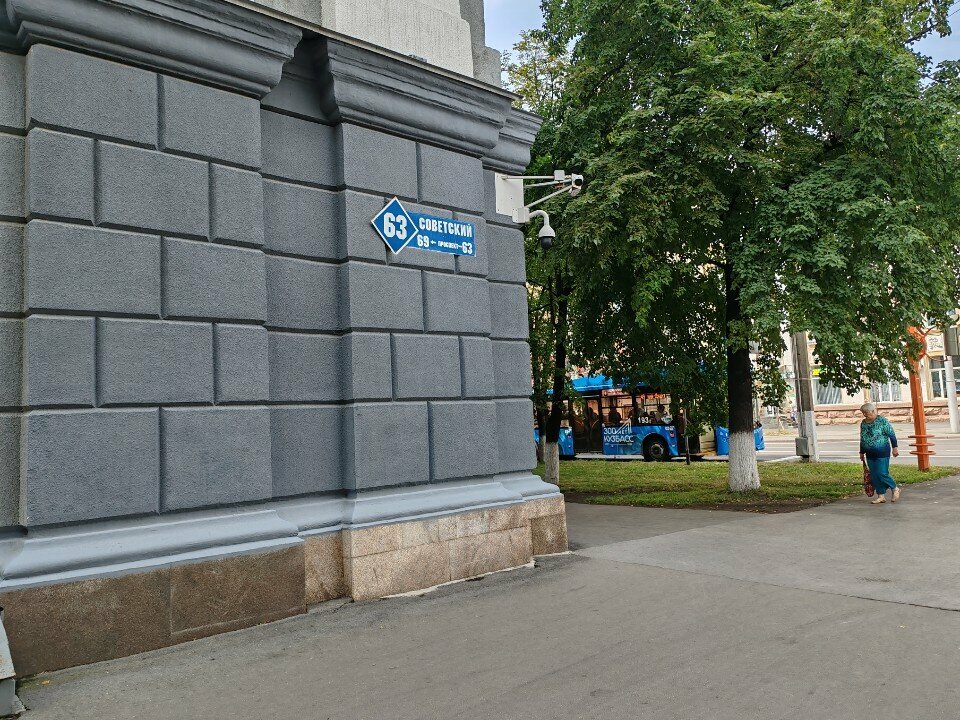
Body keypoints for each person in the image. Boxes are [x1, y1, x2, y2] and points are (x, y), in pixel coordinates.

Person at [859, 402, 901, 505]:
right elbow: (862, 438)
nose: (864, 414)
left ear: (873, 411)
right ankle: (881, 496)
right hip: (869, 453)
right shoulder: (863, 423)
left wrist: (895, 448)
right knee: (874, 475)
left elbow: (891, 434)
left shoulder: (882, 421)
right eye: (863, 412)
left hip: (882, 451)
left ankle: (895, 488)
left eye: (866, 412)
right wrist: (861, 452)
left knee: (882, 473)